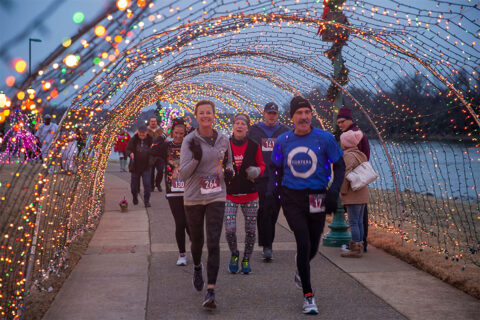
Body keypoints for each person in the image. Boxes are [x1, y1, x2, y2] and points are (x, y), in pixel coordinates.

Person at [270, 96, 345, 314]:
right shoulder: (283, 141)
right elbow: (274, 167)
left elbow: (339, 166)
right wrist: (273, 191)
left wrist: (333, 190)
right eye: (299, 113)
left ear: (311, 115)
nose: (304, 117)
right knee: (302, 241)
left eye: (307, 113)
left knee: (313, 245)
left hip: (317, 196)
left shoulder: (325, 138)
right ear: (292, 117)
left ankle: (300, 267)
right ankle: (309, 296)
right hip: (292, 197)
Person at [179, 99, 233, 310]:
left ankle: (211, 290)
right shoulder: (189, 140)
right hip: (193, 196)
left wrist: (229, 171)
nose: (205, 116)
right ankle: (197, 266)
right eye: (201, 113)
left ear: (213, 115)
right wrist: (196, 158)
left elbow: (228, 162)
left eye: (208, 113)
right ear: (196, 116)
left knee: (213, 241)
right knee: (197, 241)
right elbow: (183, 173)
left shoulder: (223, 139)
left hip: (216, 195)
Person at [248, 102, 289, 261]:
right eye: (269, 113)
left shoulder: (285, 131)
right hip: (262, 177)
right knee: (265, 209)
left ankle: (267, 241)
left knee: (273, 211)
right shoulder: (254, 130)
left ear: (277, 115)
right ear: (264, 114)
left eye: (274, 113)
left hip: (280, 176)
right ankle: (267, 246)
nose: (271, 116)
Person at [225, 113, 265, 274]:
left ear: (247, 128)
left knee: (250, 230)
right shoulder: (225, 144)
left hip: (250, 194)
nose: (240, 126)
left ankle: (246, 259)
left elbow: (262, 165)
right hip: (231, 194)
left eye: (243, 124)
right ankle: (234, 253)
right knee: (229, 229)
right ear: (233, 126)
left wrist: (257, 171)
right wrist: (224, 172)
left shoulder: (254, 145)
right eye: (237, 123)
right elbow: (217, 164)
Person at [150, 118, 190, 266]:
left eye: (182, 133)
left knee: (190, 224)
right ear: (172, 132)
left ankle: (195, 250)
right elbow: (152, 149)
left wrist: (191, 131)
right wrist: (163, 135)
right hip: (173, 190)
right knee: (180, 223)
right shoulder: (166, 146)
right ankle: (182, 254)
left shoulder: (190, 145)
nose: (179, 136)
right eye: (176, 133)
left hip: (189, 190)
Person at [336, 107, 371, 252]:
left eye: (342, 121)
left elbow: (347, 173)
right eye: (338, 123)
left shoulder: (354, 137)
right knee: (359, 220)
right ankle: (361, 244)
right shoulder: (352, 137)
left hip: (353, 188)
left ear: (350, 119)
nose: (340, 125)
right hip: (362, 187)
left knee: (355, 221)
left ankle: (357, 245)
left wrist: (341, 190)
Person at [126, 125, 153, 208]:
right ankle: (135, 197)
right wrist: (130, 153)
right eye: (140, 132)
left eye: (143, 133)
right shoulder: (133, 139)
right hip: (135, 166)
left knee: (147, 184)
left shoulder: (150, 140)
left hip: (146, 166)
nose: (142, 134)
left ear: (147, 132)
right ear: (137, 132)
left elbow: (155, 151)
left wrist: (152, 160)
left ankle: (146, 201)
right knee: (134, 186)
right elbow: (127, 149)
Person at [147, 117, 165, 192]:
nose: (153, 123)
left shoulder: (160, 131)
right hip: (150, 155)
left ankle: (158, 184)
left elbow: (165, 140)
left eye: (154, 121)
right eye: (152, 121)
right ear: (149, 122)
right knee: (151, 171)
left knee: (160, 170)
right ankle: (151, 186)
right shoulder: (146, 131)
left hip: (159, 154)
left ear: (156, 122)